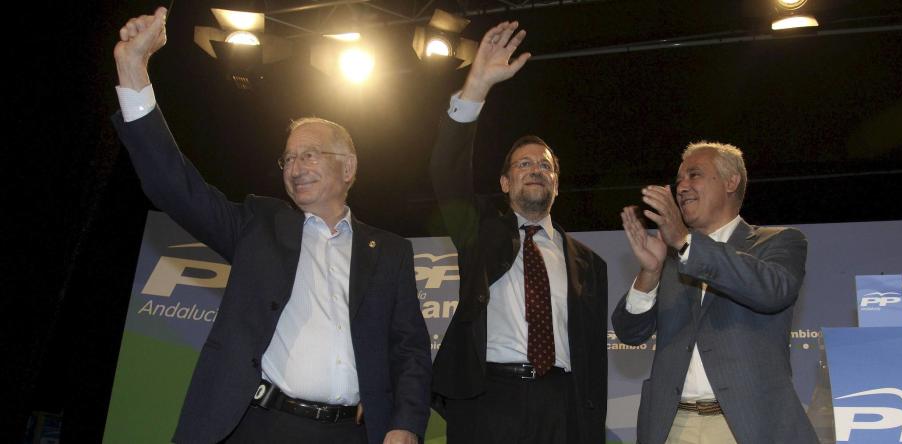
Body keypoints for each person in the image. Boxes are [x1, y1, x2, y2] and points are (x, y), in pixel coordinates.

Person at [111, 8, 430, 444]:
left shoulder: (390, 252)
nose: (295, 167)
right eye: (289, 158)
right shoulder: (259, 225)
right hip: (260, 426)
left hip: (350, 434)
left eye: (310, 154)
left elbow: (410, 348)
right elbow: (175, 186)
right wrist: (133, 71)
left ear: (348, 167)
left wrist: (406, 423)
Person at [429, 21, 609, 444]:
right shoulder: (479, 232)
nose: (536, 170)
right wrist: (476, 87)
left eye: (545, 166)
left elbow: (592, 358)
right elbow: (446, 173)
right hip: (488, 399)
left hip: (560, 404)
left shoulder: (590, 264)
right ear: (505, 182)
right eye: (524, 164)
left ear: (557, 185)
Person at [612, 141, 818, 444]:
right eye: (679, 180)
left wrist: (685, 242)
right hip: (673, 427)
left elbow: (773, 291)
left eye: (694, 175)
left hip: (744, 427)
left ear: (731, 182)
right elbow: (630, 333)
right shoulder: (669, 257)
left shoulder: (778, 242)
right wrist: (650, 273)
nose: (682, 187)